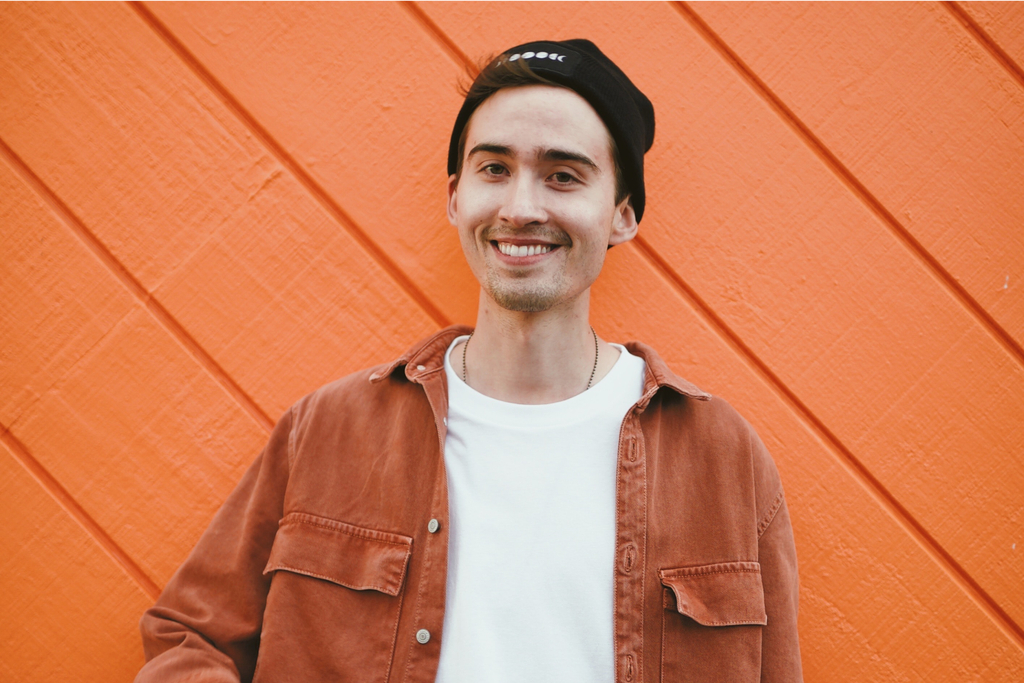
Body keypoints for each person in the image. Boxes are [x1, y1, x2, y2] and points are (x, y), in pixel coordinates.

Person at [136, 39, 802, 683]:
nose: (521, 208)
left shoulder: (722, 459)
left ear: (622, 215)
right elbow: (189, 637)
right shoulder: (329, 430)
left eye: (563, 176)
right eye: (494, 169)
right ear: (456, 198)